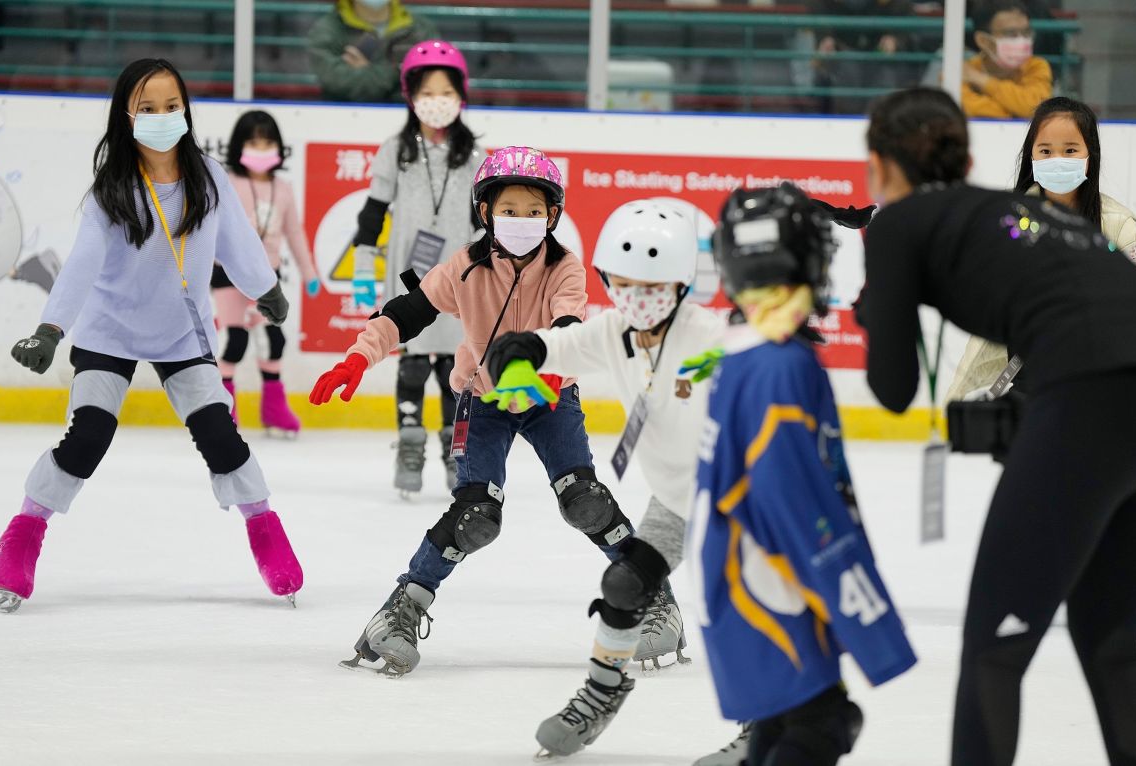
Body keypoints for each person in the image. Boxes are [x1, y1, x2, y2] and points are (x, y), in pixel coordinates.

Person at [858, 87, 1136, 766]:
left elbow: (893, 388)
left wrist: (876, 305)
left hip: (1090, 398)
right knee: (1112, 642)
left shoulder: (899, 224)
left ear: (879, 165)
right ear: (967, 160)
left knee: (994, 651)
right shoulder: (1034, 218)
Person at [0, 59, 303, 614]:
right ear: (126, 116)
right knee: (88, 438)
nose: (162, 116)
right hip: (110, 333)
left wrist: (264, 287)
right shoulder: (112, 190)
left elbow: (238, 240)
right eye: (147, 108)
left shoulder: (208, 177)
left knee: (221, 438)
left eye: (171, 105)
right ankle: (23, 536)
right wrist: (51, 329)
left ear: (186, 109)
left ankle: (264, 529)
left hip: (183, 334)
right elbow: (82, 262)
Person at [310, 147, 637, 677]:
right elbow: (406, 314)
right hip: (483, 398)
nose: (522, 220)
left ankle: (653, 599)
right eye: (509, 209)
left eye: (534, 211)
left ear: (552, 216)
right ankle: (399, 611)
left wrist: (540, 371)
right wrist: (357, 357)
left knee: (585, 501)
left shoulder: (565, 267)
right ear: (486, 212)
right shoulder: (463, 266)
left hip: (550, 397)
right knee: (476, 515)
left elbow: (569, 328)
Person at [480, 199, 727, 757]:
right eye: (625, 284)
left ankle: (769, 725)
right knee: (624, 587)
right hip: (675, 501)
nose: (639, 297)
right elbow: (551, 345)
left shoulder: (711, 338)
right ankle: (603, 691)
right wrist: (515, 356)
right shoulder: (614, 332)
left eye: (654, 286)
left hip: (738, 500)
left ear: (682, 284)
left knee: (741, 613)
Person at [690, 182, 916, 766]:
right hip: (768, 583)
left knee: (785, 721)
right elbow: (793, 503)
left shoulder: (744, 351)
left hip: (739, 573)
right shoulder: (782, 365)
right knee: (823, 722)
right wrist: (858, 606)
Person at [948, 95, 1136, 402]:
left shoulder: (1113, 222)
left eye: (1070, 150)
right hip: (1032, 380)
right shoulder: (1009, 216)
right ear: (1031, 155)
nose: (1057, 159)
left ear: (1089, 155)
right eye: (1045, 150)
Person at [350, 40, 481, 495]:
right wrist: (363, 267)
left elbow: (484, 222)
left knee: (453, 367)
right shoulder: (396, 150)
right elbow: (373, 213)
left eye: (446, 93)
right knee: (412, 363)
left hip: (459, 278)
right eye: (427, 93)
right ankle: (409, 444)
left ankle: (454, 449)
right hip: (409, 275)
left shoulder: (475, 156)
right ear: (410, 95)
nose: (436, 102)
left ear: (461, 96)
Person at [215, 110, 321, 436]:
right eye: (253, 142)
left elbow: (294, 232)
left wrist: (309, 272)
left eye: (267, 142)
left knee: (273, 339)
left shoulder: (283, 189)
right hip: (228, 274)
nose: (260, 149)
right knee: (233, 340)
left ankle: (274, 410)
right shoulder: (228, 184)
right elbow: (212, 230)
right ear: (239, 146)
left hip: (266, 278)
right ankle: (222, 411)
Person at [307, 0, 437, 104]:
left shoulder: (421, 29)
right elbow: (337, 82)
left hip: (408, 117)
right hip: (342, 118)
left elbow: (433, 81)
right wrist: (397, 69)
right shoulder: (327, 30)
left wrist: (368, 71)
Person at [962, 0, 1052, 119]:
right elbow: (975, 110)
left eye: (1026, 32)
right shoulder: (962, 71)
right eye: (1011, 34)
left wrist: (982, 81)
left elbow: (1036, 108)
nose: (1021, 40)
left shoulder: (1037, 66)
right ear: (983, 41)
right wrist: (1017, 110)